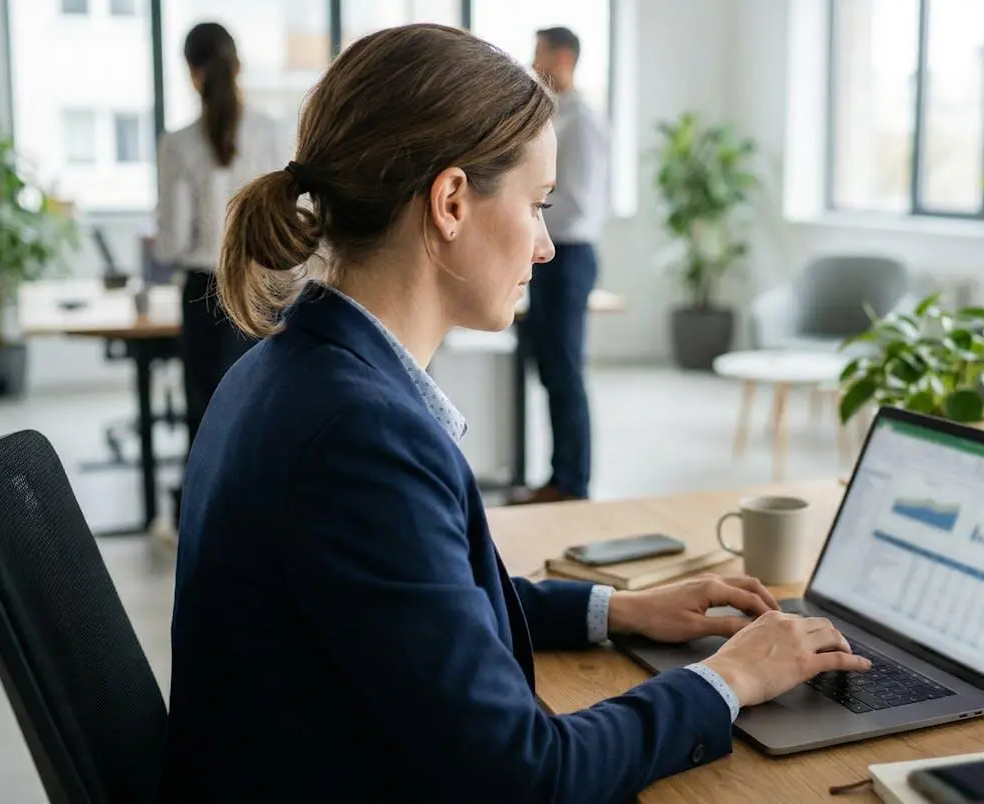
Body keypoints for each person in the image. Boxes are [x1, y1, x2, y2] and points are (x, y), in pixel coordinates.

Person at [158, 24, 869, 804]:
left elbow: (422, 607)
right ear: (451, 202)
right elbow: (526, 777)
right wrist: (729, 678)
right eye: (536, 206)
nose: (545, 246)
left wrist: (617, 609)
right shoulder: (359, 436)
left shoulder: (285, 368)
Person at [154, 21, 283, 450]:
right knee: (264, 415)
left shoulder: (177, 144)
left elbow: (171, 242)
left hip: (204, 292)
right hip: (263, 290)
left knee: (207, 422)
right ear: (238, 67)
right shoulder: (270, 133)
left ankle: (204, 516)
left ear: (192, 73)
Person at [513, 25, 610, 504]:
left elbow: (580, 205)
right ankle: (558, 476)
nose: (534, 63)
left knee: (566, 370)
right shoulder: (552, 117)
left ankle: (572, 483)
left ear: (565, 57)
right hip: (552, 254)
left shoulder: (583, 122)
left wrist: (528, 208)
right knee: (551, 368)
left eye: (540, 54)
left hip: (569, 255)